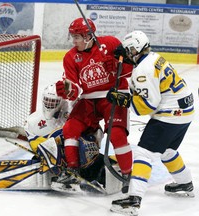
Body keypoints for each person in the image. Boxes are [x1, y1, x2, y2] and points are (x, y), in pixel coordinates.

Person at [108, 30, 195, 215]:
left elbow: (146, 106)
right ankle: (184, 183)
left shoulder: (142, 70)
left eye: (128, 50)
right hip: (186, 110)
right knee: (167, 151)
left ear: (135, 49)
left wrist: (123, 100)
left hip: (170, 114)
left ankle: (133, 199)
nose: (126, 53)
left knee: (143, 154)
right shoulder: (154, 58)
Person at [55, 17, 134, 193]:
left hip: (114, 94)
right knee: (70, 129)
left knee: (117, 134)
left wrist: (115, 66)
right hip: (89, 98)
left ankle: (129, 175)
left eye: (78, 36)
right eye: (73, 36)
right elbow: (74, 87)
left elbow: (130, 69)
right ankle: (73, 170)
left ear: (89, 36)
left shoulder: (111, 43)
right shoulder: (70, 57)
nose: (74, 40)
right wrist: (67, 90)